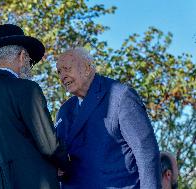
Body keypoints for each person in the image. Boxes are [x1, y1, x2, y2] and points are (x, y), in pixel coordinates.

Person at [0, 24, 68, 189]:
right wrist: (66, 166)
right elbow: (49, 145)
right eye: (29, 60)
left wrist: (0, 163)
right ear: (22, 56)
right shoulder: (27, 89)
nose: (29, 64)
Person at [55, 47, 161, 188]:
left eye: (67, 68)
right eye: (59, 72)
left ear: (87, 68)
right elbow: (61, 156)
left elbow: (146, 154)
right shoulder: (64, 110)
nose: (63, 76)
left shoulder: (120, 96)